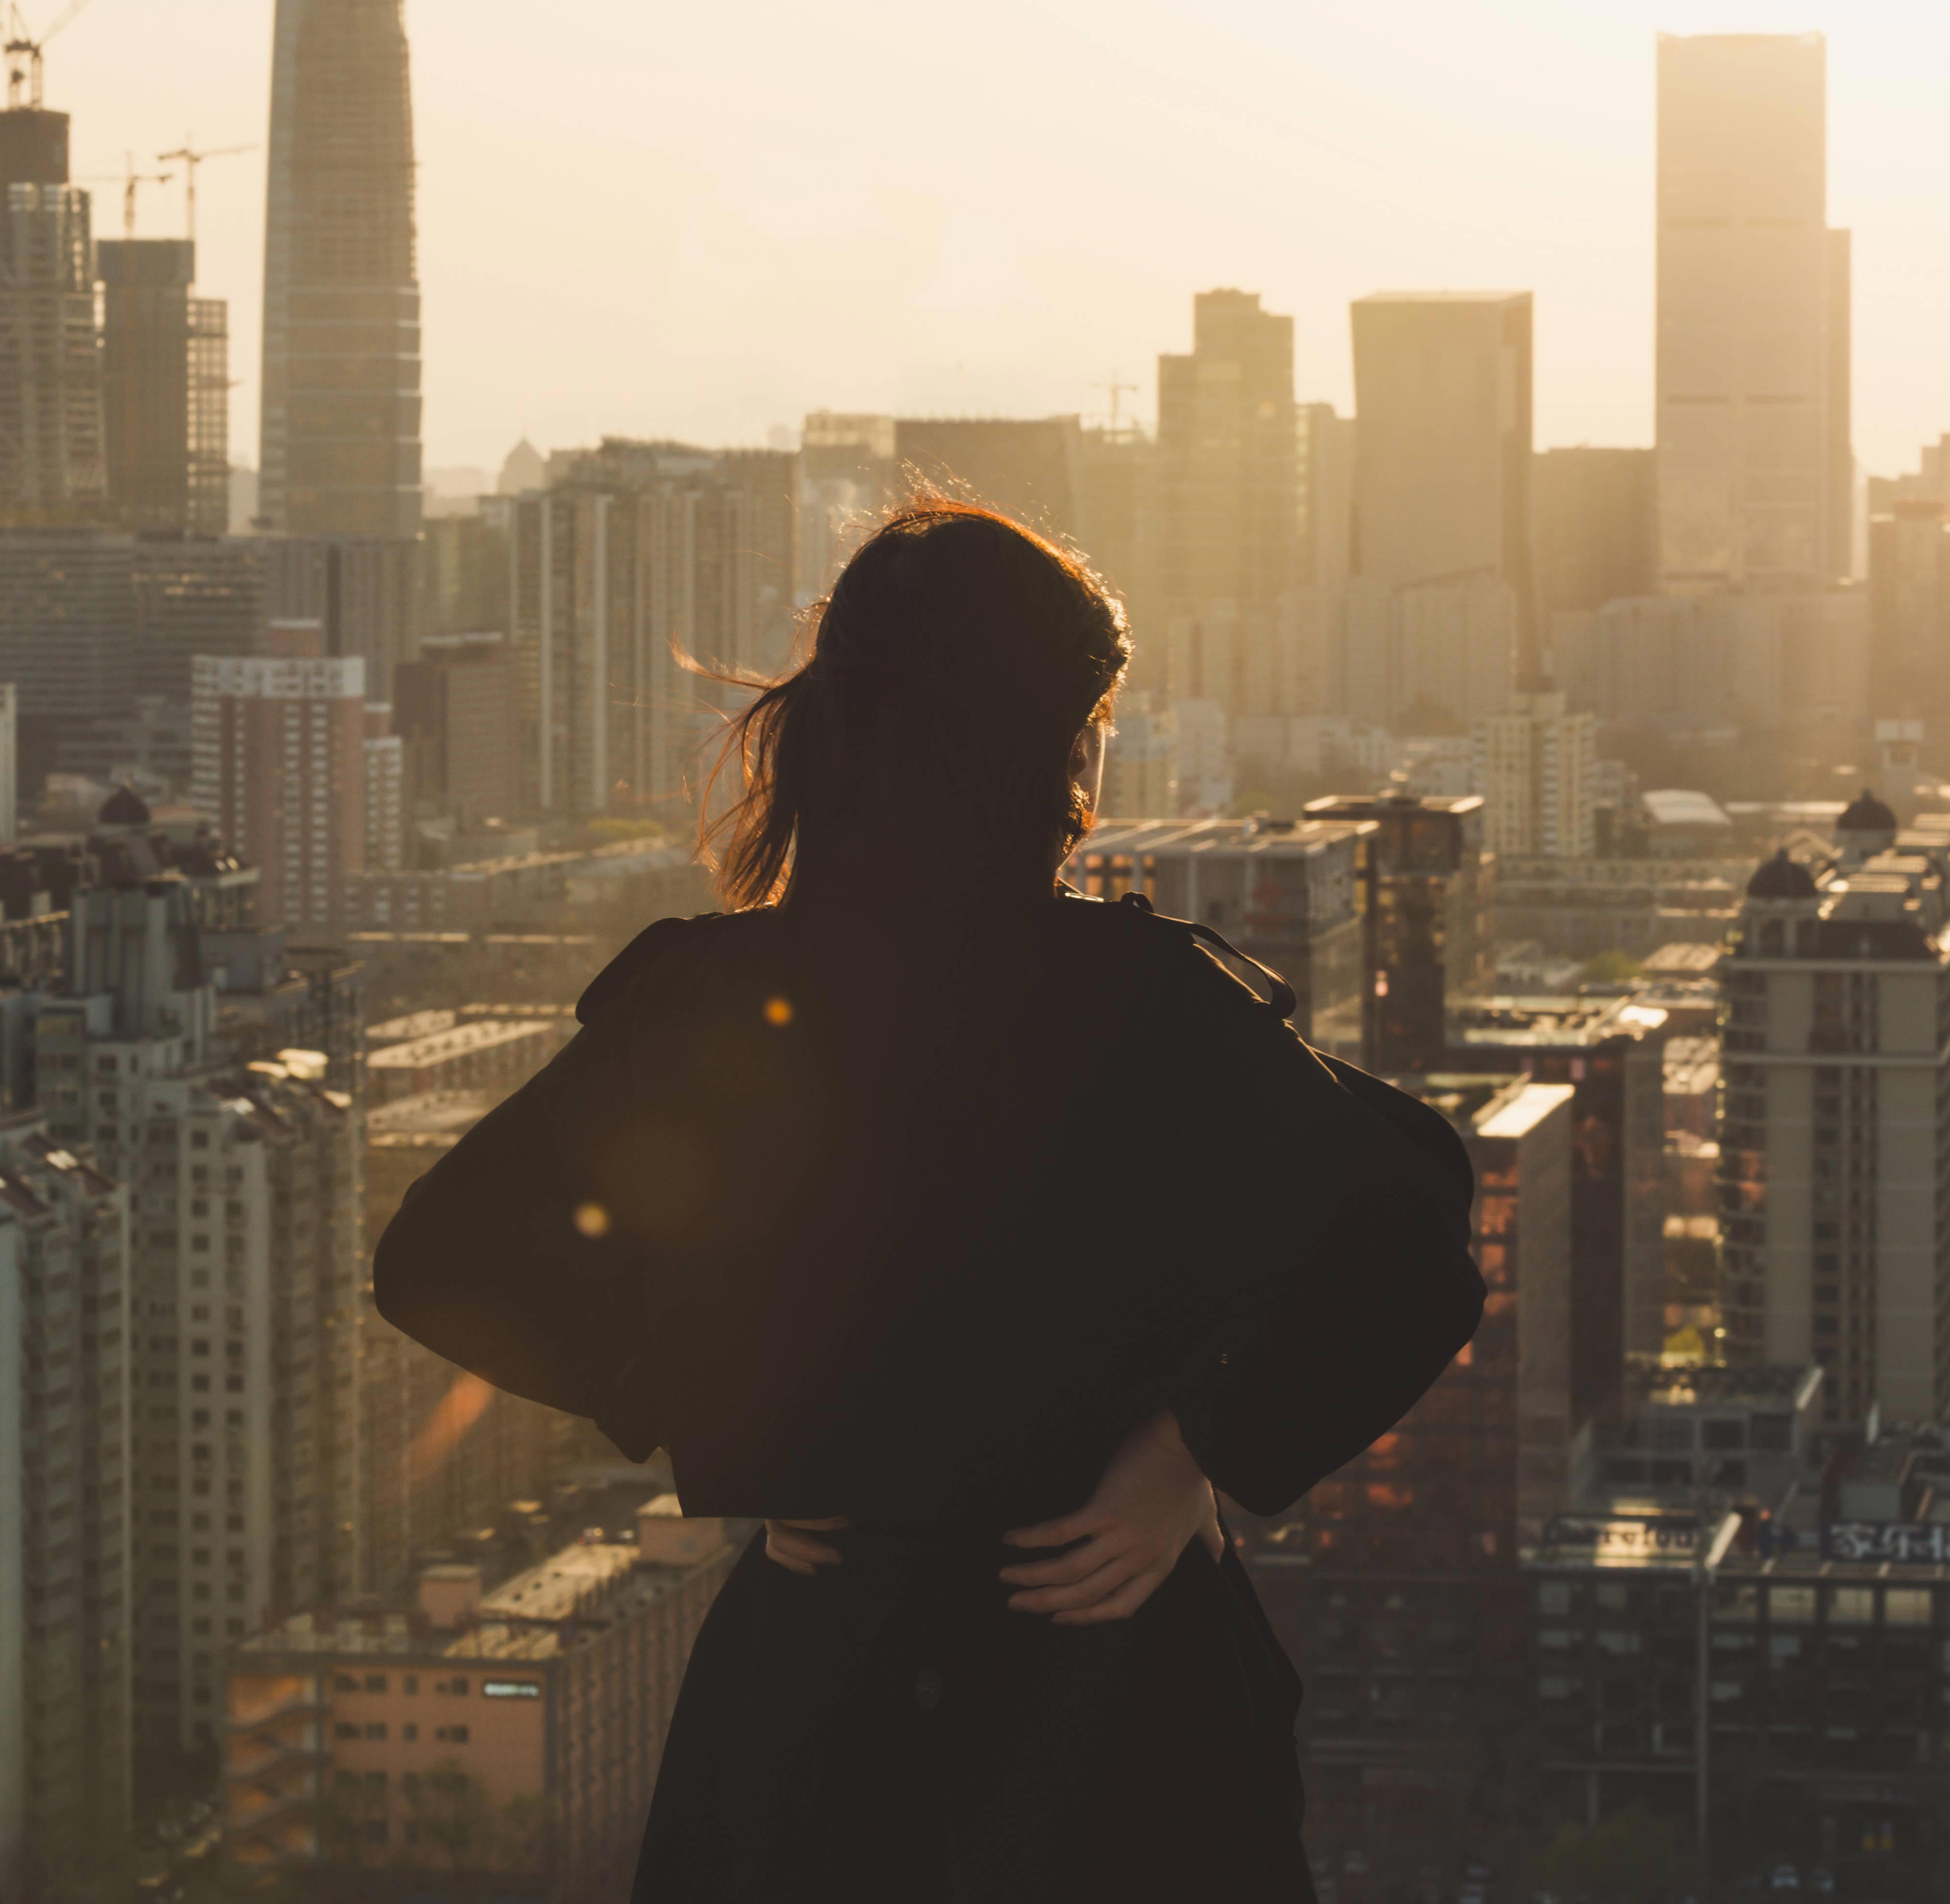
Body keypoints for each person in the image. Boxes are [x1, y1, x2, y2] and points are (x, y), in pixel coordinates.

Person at [374, 497, 1485, 1903]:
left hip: (816, 1717)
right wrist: (1193, 1447)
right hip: (1111, 1723)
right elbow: (1412, 1235)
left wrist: (732, 1423)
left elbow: (452, 1253)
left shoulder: (712, 1000)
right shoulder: (1146, 1010)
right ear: (1053, 746)